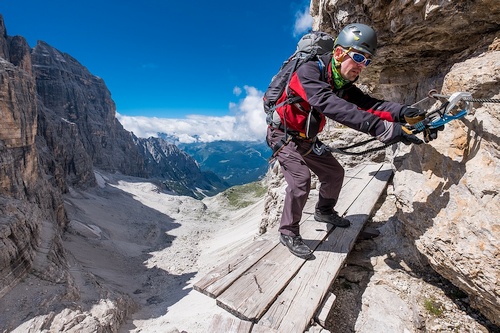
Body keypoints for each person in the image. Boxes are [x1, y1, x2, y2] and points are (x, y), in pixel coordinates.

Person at [266, 23, 432, 259]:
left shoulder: (338, 82)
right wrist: (381, 129)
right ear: (338, 53)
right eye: (357, 57)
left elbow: (370, 105)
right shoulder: (308, 73)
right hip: (282, 135)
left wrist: (403, 113)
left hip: (306, 138)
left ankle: (324, 211)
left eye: (367, 61)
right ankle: (288, 231)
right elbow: (329, 104)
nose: (361, 66)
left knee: (334, 173)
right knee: (301, 181)